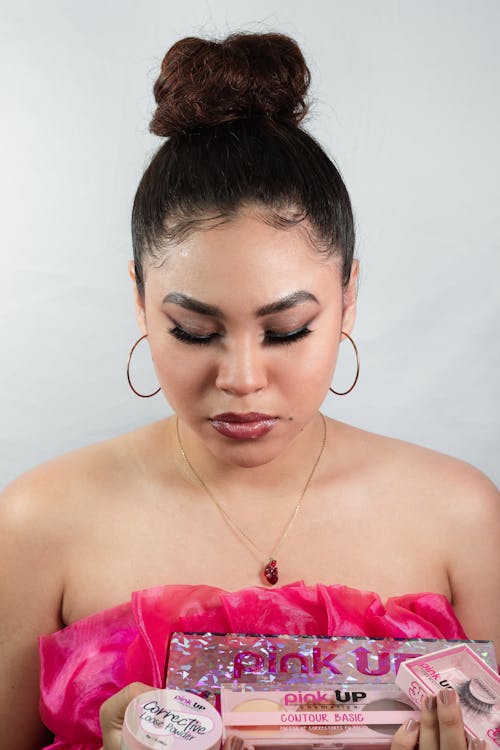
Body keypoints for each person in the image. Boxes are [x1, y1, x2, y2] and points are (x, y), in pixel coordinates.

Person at [0, 31, 498, 750]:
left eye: (288, 329)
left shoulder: (464, 515)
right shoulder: (37, 523)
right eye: (195, 331)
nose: (241, 380)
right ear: (141, 301)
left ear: (349, 296)